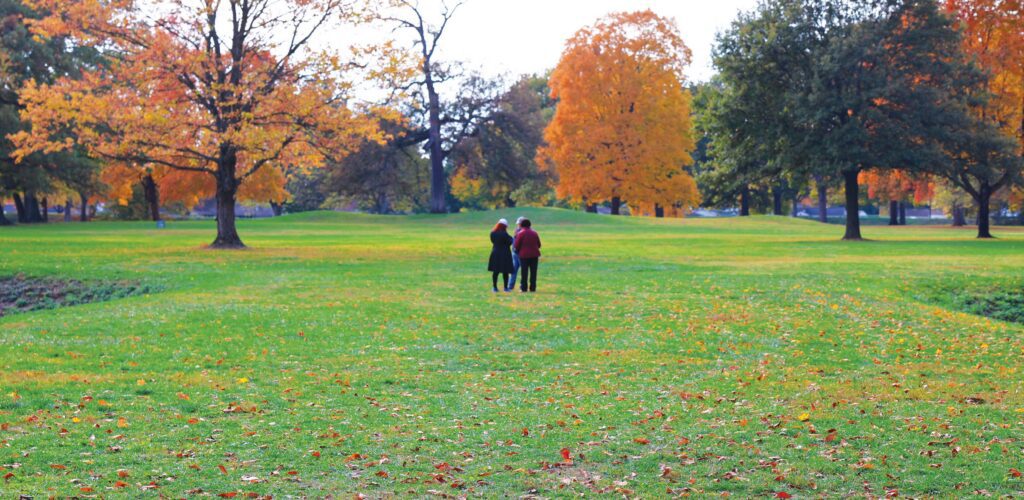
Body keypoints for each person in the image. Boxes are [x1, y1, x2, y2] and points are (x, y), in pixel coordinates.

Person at [513, 218, 541, 292]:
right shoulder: (535, 233)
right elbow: (539, 244)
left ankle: (524, 288)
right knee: (533, 272)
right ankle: (533, 288)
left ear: (521, 225)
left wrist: (519, 251)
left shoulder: (520, 233)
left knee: (524, 272)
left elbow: (516, 245)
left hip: (524, 256)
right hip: (534, 255)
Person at [487, 218, 515, 292]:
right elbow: (509, 242)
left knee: (496, 271)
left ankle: (494, 287)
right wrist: (511, 238)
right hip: (505, 253)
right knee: (505, 271)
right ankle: (506, 288)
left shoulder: (492, 233)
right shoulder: (504, 234)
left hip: (495, 252)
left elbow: (493, 241)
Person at [507, 217, 525, 290]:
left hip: (521, 253)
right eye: (518, 224)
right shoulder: (517, 230)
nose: (518, 225)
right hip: (515, 253)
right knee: (513, 270)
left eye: (519, 224)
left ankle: (521, 286)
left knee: (523, 271)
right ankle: (510, 286)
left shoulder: (522, 231)